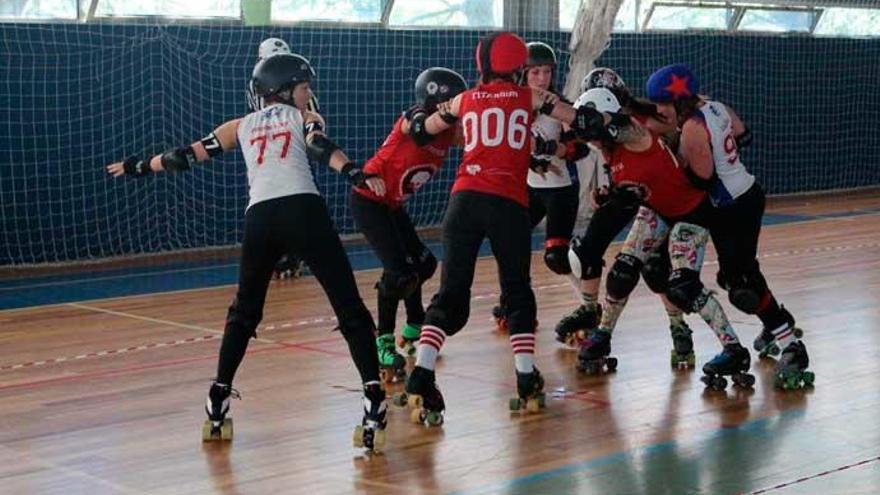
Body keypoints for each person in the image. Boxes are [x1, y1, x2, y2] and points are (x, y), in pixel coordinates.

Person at [106, 54, 387, 451]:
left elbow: (182, 157)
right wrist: (353, 172)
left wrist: (139, 167)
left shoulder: (238, 126)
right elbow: (318, 145)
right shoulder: (304, 116)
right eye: (305, 88)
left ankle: (218, 396)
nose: (310, 95)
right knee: (348, 305)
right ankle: (373, 396)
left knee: (244, 311)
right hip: (303, 211)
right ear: (286, 89)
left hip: (260, 219)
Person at [392, 31, 614, 424]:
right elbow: (581, 122)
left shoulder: (465, 99)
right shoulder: (532, 97)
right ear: (520, 69)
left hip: (463, 202)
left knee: (450, 297)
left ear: (482, 65)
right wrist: (603, 122)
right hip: (507, 204)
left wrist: (417, 117)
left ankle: (422, 374)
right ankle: (526, 377)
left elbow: (423, 129)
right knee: (516, 292)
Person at [569, 88, 755, 390]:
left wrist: (541, 101)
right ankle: (603, 335)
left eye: (590, 129)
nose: (586, 137)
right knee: (624, 271)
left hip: (691, 210)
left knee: (683, 285)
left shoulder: (633, 132)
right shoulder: (610, 149)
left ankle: (733, 349)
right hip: (658, 209)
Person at [646, 63, 814, 389]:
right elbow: (743, 133)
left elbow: (701, 179)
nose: (659, 110)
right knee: (732, 277)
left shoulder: (693, 128)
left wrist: (673, 153)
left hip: (731, 207)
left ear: (678, 102)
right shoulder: (714, 106)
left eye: (663, 104)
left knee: (742, 286)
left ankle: (791, 344)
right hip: (742, 196)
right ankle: (776, 323)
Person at [349, 67, 467, 382]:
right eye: (453, 103)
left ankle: (415, 323)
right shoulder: (415, 115)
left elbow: (470, 135)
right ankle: (383, 341)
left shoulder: (446, 131)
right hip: (368, 201)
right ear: (438, 100)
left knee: (424, 264)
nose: (458, 112)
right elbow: (416, 130)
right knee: (400, 274)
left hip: (391, 205)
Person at [489, 41, 582, 333]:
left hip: (560, 191)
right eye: (535, 73)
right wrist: (531, 161)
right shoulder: (515, 105)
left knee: (556, 257)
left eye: (546, 72)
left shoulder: (559, 105)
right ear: (522, 74)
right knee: (508, 246)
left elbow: (579, 149)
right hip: (528, 189)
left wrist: (549, 148)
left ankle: (590, 307)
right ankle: (514, 305)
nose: (542, 79)